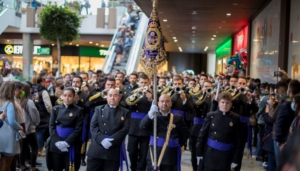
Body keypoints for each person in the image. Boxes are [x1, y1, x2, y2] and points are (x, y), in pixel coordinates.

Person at [139, 94, 189, 171]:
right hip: (154, 154)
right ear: (158, 103)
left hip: (170, 155)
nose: (164, 104)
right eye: (162, 101)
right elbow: (142, 127)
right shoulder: (153, 117)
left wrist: (175, 144)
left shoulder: (177, 118)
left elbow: (185, 134)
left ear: (171, 103)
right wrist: (150, 114)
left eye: (167, 101)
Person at [196, 92, 243, 171]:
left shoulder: (235, 118)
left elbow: (239, 141)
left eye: (227, 103)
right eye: (223, 102)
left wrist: (236, 159)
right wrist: (199, 153)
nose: (225, 105)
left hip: (226, 156)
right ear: (219, 103)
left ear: (231, 104)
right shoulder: (211, 116)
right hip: (210, 154)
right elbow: (202, 136)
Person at [86, 88, 130, 171]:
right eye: (110, 95)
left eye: (115, 95)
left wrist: (112, 141)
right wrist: (102, 140)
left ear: (119, 98)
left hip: (113, 149)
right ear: (106, 97)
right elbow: (93, 126)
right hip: (97, 148)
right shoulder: (99, 109)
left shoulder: (125, 112)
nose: (112, 98)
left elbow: (125, 129)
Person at [47, 87, 83, 171]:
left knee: (69, 167)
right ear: (62, 96)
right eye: (65, 95)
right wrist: (57, 141)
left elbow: (78, 129)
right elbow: (51, 126)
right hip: (56, 143)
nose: (67, 98)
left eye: (70, 96)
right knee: (57, 167)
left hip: (71, 143)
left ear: (74, 97)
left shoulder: (79, 110)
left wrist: (66, 143)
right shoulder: (56, 109)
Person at [125, 74, 153, 171]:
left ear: (149, 83)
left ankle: (140, 169)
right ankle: (133, 167)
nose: (143, 85)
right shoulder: (132, 93)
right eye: (141, 83)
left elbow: (155, 111)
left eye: (145, 83)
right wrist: (135, 95)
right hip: (133, 126)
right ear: (138, 83)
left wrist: (151, 100)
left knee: (144, 152)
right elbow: (127, 105)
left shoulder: (153, 94)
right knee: (131, 151)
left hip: (146, 126)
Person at [0, 81, 22, 171]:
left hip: (1, 135)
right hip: (9, 136)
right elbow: (12, 121)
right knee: (7, 164)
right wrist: (20, 128)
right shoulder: (9, 104)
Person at [19, 82, 40, 171]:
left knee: (23, 148)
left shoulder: (17, 100)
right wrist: (36, 123)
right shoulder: (29, 102)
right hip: (30, 129)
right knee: (34, 147)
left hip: (21, 129)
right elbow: (34, 115)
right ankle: (33, 167)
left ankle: (22, 166)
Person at [35, 77, 52, 156]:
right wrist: (51, 113)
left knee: (37, 131)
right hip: (43, 114)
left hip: (34, 113)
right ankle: (39, 150)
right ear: (42, 81)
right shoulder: (43, 91)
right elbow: (48, 105)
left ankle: (35, 149)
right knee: (40, 132)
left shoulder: (33, 89)